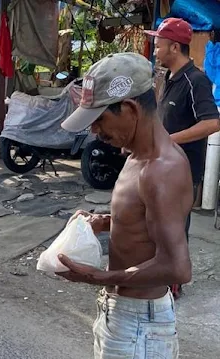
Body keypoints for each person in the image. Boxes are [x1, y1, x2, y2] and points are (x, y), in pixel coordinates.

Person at [60, 52, 192, 359]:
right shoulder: (136, 154)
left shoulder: (162, 170)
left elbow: (177, 267)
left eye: (100, 120)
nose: (95, 131)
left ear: (130, 108)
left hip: (139, 324)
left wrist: (98, 276)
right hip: (122, 314)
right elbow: (146, 218)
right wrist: (104, 220)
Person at [146, 17, 220, 298]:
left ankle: (173, 282)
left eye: (158, 45)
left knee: (175, 226)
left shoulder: (196, 80)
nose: (155, 50)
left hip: (184, 170)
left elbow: (213, 123)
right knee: (158, 223)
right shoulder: (168, 78)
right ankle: (160, 273)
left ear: (174, 47)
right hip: (163, 165)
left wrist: (169, 141)